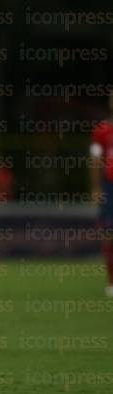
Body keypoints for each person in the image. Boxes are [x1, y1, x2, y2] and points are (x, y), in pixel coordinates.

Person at [89, 94, 113, 297]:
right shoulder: (102, 130)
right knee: (108, 233)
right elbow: (95, 159)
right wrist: (96, 188)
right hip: (110, 187)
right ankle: (111, 282)